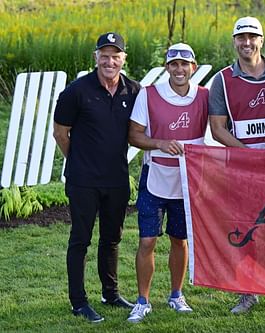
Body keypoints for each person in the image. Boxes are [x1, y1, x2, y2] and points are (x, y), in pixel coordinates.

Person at [53, 32, 141, 323]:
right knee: (80, 240)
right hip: (83, 180)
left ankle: (110, 293)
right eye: (105, 55)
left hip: (116, 179)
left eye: (115, 56)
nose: (110, 61)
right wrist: (77, 161)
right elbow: (60, 133)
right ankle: (78, 302)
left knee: (112, 239)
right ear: (96, 57)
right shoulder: (76, 91)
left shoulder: (134, 90)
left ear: (123, 59)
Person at [208, 16, 265, 315]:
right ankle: (247, 293)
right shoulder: (222, 80)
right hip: (241, 169)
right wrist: (249, 155)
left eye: (252, 37)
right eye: (241, 37)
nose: (247, 43)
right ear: (234, 41)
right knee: (245, 231)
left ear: (261, 40)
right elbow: (218, 129)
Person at [126, 43, 208, 323]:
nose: (179, 69)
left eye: (185, 64)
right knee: (147, 239)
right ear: (167, 67)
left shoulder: (205, 97)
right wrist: (159, 142)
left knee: (179, 239)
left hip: (188, 180)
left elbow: (219, 129)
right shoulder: (148, 96)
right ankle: (142, 300)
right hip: (155, 176)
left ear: (193, 68)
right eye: (174, 64)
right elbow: (134, 135)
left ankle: (176, 295)